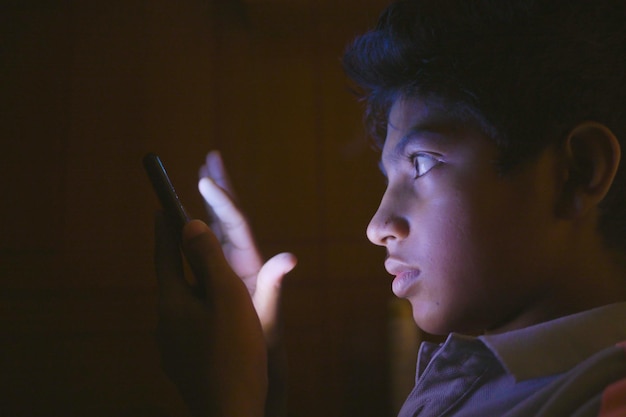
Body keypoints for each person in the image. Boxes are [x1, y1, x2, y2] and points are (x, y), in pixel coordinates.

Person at [152, 0, 626, 416]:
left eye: (422, 163)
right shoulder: (491, 374)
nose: (378, 227)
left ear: (577, 171)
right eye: (387, 178)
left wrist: (228, 404)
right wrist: (257, 380)